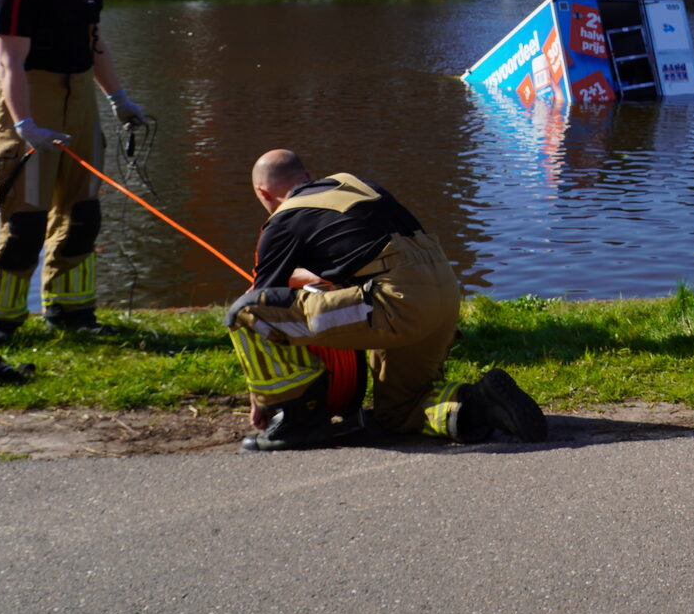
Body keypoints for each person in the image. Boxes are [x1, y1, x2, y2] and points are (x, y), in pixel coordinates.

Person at [224, 149, 549, 452]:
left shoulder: (282, 222)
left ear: (262, 193)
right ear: (306, 176)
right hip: (443, 294)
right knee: (399, 412)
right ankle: (479, 403)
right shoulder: (353, 185)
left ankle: (300, 422)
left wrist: (262, 398)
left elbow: (261, 302)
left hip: (396, 304)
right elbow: (366, 254)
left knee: (246, 313)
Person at [0, 0, 149, 348]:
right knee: (25, 216)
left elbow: (95, 41)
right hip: (31, 93)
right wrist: (25, 125)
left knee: (82, 211)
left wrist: (119, 98)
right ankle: (0, 322)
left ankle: (71, 312)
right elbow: (10, 62)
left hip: (80, 94)